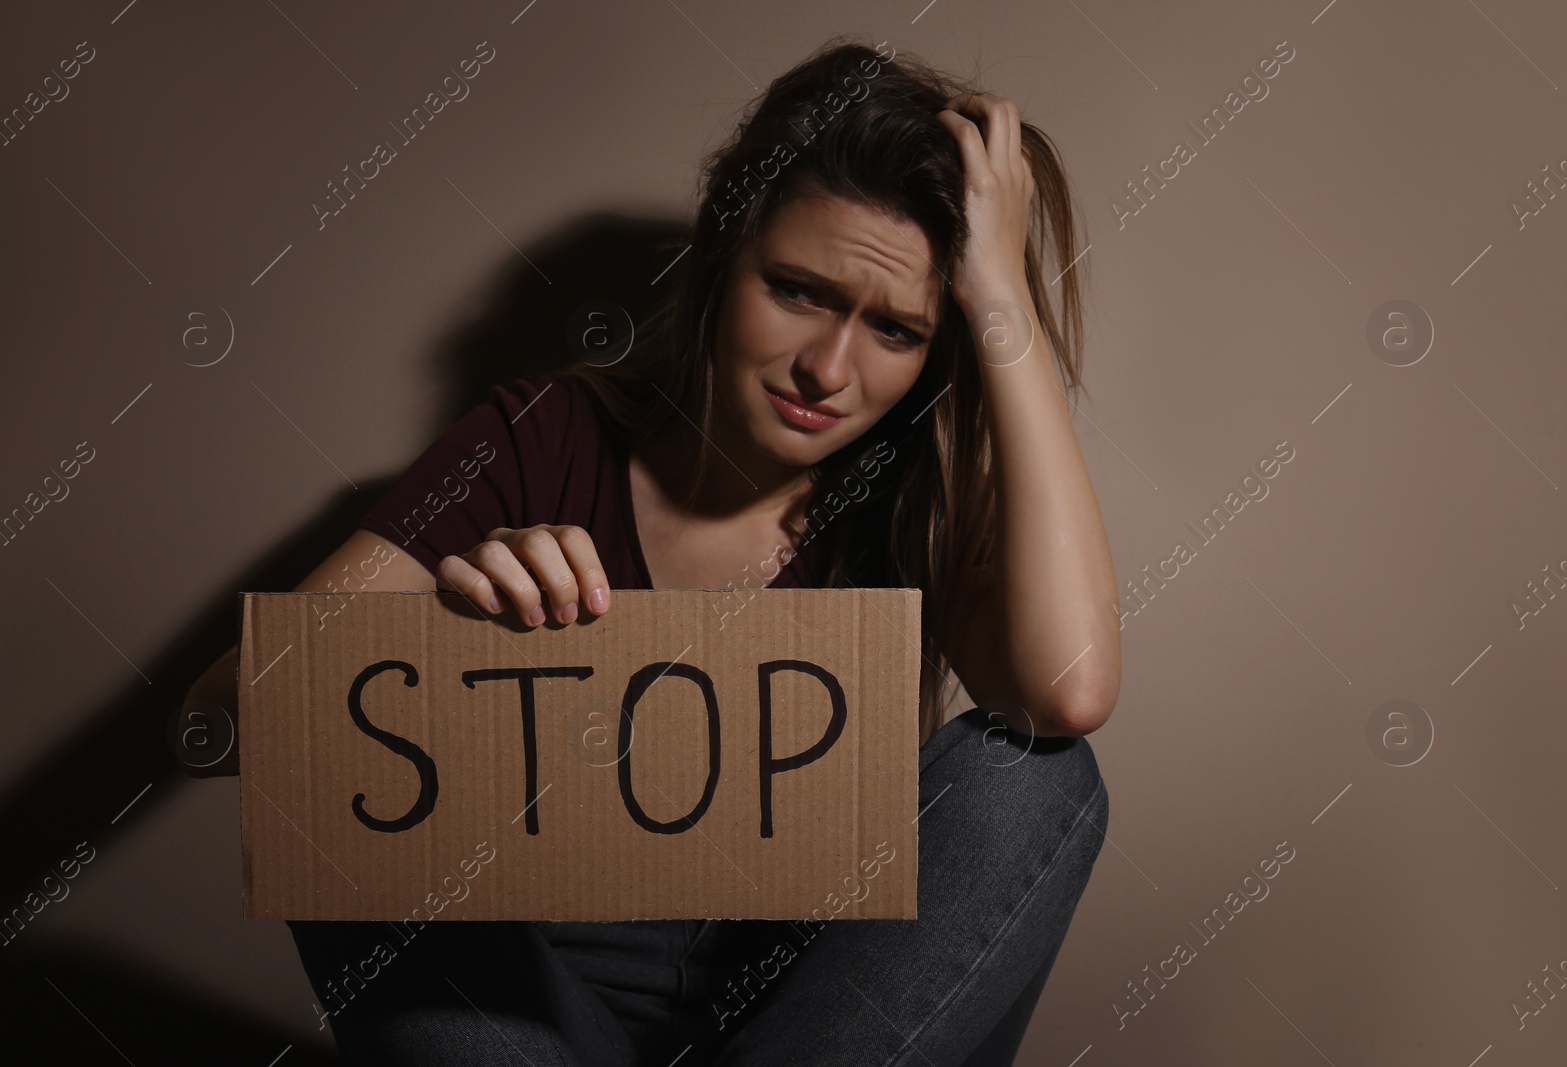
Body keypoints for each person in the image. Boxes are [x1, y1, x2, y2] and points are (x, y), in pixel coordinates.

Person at [185, 34, 1118, 1066]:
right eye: (799, 289)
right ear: (725, 254)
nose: (826, 367)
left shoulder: (901, 502)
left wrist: (1000, 297)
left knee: (1039, 776)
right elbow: (214, 725)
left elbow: (1068, 692)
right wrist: (437, 635)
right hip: (534, 1002)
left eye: (897, 331)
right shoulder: (540, 433)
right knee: (353, 826)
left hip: (810, 1019)